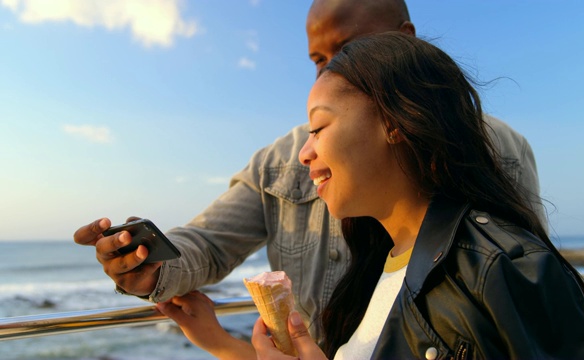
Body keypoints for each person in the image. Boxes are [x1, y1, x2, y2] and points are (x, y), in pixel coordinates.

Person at [74, 0, 544, 342]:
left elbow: (527, 287)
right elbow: (209, 244)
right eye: (318, 60)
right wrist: (145, 265)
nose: (328, 74)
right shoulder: (282, 159)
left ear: (405, 40)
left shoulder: (496, 147)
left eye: (347, 50)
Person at [159, 32, 584, 359]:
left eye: (318, 127)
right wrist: (217, 341)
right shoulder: (379, 262)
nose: (303, 152)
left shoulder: (501, 268)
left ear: (393, 122)